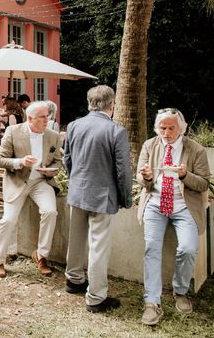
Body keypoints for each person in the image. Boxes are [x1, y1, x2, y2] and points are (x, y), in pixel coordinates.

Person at [137, 108, 211, 326]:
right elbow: (141, 179)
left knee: (188, 248)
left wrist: (184, 175)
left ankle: (180, 291)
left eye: (171, 128)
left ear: (181, 128)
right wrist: (146, 177)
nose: (167, 132)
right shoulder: (150, 145)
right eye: (162, 128)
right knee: (151, 247)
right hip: (155, 205)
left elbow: (204, 183)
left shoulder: (195, 149)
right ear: (156, 128)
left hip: (183, 206)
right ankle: (151, 302)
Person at [63, 85, 132, 313]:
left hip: (77, 192)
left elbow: (68, 160)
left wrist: (76, 182)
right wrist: (125, 198)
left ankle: (73, 280)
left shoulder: (73, 126)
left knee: (76, 239)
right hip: (102, 195)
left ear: (89, 103)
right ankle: (95, 297)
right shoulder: (116, 131)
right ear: (112, 105)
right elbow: (123, 171)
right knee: (98, 247)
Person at [0, 101, 62, 278]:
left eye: (48, 116)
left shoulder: (53, 135)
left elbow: (57, 160)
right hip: (17, 181)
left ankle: (41, 255)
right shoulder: (13, 131)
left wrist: (51, 169)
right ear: (30, 118)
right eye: (42, 117)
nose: (47, 120)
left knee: (50, 212)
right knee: (7, 220)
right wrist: (20, 162)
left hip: (40, 182)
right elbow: (0, 159)